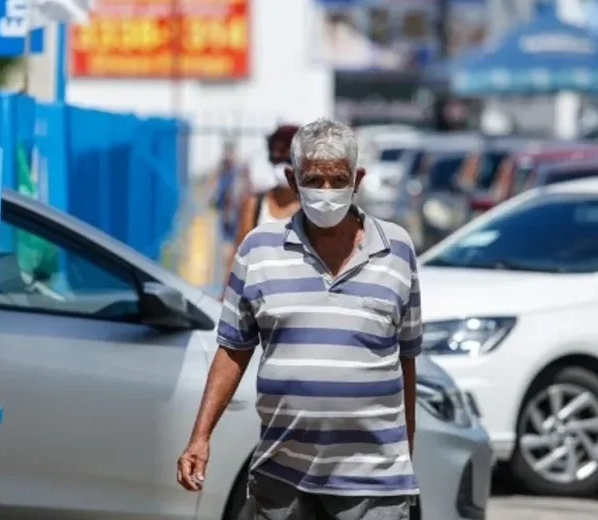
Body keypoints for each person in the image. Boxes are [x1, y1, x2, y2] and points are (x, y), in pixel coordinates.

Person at [177, 118, 422, 519]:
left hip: (374, 479)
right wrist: (200, 437)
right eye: (314, 180)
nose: (326, 192)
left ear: (357, 179)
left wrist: (406, 451)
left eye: (337, 180)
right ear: (293, 180)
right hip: (282, 475)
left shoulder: (396, 248)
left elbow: (406, 358)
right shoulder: (258, 249)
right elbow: (232, 350)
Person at [219, 125, 300, 298]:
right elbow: (240, 257)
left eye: (289, 158)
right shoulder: (255, 204)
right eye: (277, 157)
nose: (283, 165)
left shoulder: (312, 208)